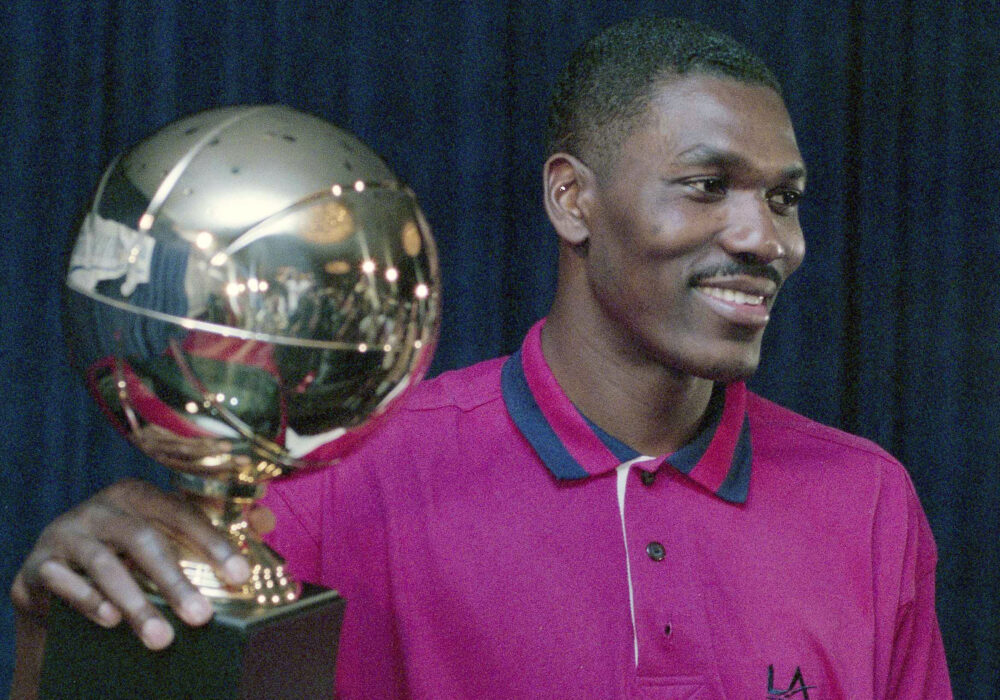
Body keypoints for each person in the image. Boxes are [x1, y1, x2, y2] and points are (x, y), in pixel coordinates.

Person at [11, 16, 952, 699]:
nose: (766, 239)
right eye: (707, 186)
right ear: (570, 199)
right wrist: (81, 627)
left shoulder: (868, 503)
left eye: (784, 199)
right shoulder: (343, 481)